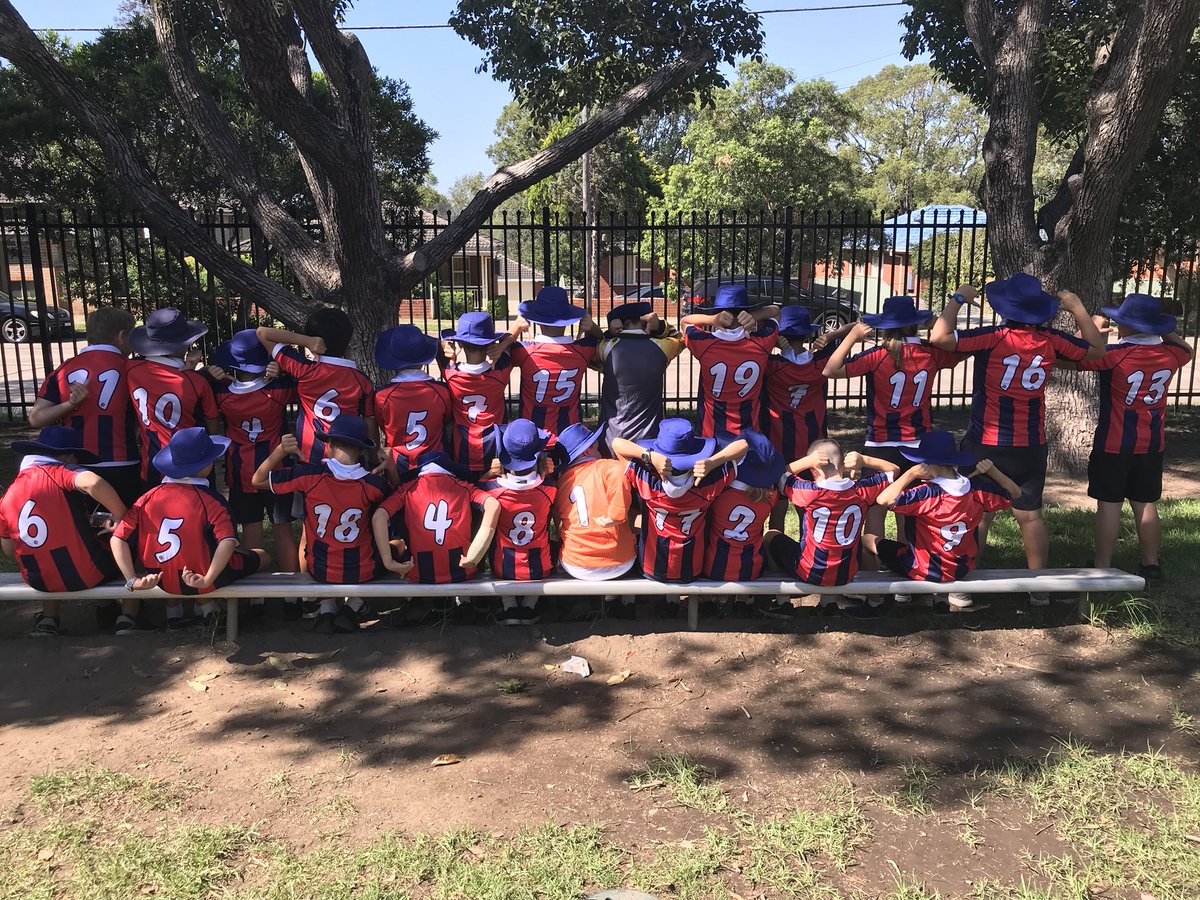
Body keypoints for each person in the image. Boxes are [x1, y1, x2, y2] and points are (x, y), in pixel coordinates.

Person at [928, 274, 1105, 606]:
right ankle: (1038, 587)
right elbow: (1096, 351)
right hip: (1030, 443)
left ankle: (963, 582)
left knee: (977, 512)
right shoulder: (1051, 341)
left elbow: (939, 337)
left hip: (986, 442)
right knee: (1030, 513)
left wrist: (959, 298)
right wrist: (1078, 309)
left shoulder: (993, 336)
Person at [1066, 294, 1195, 578]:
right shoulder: (1172, 355)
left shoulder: (1112, 355)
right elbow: (1187, 349)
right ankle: (1151, 564)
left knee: (1109, 505)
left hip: (1113, 442)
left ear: (1126, 325)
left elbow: (1070, 356)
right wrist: (1163, 327)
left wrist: (1087, 326)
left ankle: (1102, 565)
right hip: (1151, 443)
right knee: (1145, 502)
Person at [823, 295, 964, 543]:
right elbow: (961, 348)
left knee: (876, 508)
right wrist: (934, 325)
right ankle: (906, 557)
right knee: (910, 508)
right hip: (918, 445)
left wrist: (852, 337)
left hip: (880, 443)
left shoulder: (878, 355)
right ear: (914, 324)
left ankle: (872, 561)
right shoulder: (930, 353)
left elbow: (830, 369)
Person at [112, 427, 268, 627]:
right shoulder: (211, 500)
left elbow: (117, 538)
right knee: (263, 556)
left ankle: (175, 613)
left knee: (178, 559)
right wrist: (207, 579)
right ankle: (236, 608)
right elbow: (228, 542)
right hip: (203, 578)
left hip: (160, 579)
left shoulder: (147, 497)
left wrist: (132, 579)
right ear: (204, 465)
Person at [254, 415, 389, 635]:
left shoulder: (310, 474)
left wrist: (280, 451)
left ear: (330, 444)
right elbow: (396, 502)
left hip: (320, 568)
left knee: (313, 542)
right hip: (361, 569)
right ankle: (352, 607)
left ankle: (326, 609)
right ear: (363, 451)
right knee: (394, 546)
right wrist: (390, 467)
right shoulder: (373, 484)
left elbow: (257, 481)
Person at [863, 431, 1021, 611]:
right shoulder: (976, 490)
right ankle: (941, 601)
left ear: (928, 464)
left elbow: (883, 500)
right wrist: (993, 471)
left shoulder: (927, 494)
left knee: (867, 540)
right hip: (961, 567)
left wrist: (910, 475)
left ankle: (873, 602)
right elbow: (1015, 493)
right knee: (942, 547)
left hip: (922, 568)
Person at [0, 426, 133, 637]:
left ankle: (48, 619)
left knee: (50, 555)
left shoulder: (9, 494)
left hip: (38, 580)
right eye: (77, 458)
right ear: (69, 457)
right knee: (128, 541)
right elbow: (93, 482)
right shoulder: (59, 472)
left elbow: (8, 549)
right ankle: (129, 617)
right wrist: (122, 515)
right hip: (85, 575)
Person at [611, 419, 747, 613]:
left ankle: (627, 606)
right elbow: (743, 446)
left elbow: (616, 444)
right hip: (691, 568)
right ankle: (673, 603)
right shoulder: (708, 484)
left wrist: (649, 457)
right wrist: (712, 462)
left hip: (652, 567)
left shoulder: (647, 481)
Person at [209, 330, 299, 617]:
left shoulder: (223, 395)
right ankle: (291, 595)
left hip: (240, 472)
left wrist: (214, 374)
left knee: (251, 528)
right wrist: (283, 370)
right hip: (277, 471)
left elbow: (206, 385)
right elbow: (301, 382)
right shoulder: (277, 392)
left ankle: (253, 596)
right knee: (283, 529)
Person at [764, 439, 900, 617]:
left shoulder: (807, 491)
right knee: (868, 541)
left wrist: (806, 461)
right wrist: (864, 460)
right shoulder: (863, 490)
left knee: (770, 536)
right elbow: (894, 470)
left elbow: (778, 473)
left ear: (813, 469)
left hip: (809, 571)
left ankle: (783, 603)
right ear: (843, 465)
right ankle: (873, 603)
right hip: (847, 571)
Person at [30, 306, 141, 509]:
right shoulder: (132, 368)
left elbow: (36, 418)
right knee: (125, 527)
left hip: (74, 464)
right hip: (123, 461)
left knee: (84, 528)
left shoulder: (64, 369)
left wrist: (69, 405)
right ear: (122, 336)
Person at [760, 306, 852, 530]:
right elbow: (854, 329)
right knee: (809, 504)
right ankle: (808, 545)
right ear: (808, 334)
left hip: (778, 443)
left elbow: (752, 342)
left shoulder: (772, 365)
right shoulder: (821, 363)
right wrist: (830, 335)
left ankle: (775, 553)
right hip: (814, 446)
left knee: (778, 505)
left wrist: (771, 343)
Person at [256, 306, 377, 467]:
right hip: (349, 459)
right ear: (348, 340)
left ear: (316, 342)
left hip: (309, 458)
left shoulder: (303, 369)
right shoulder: (362, 381)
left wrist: (306, 341)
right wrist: (374, 459)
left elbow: (262, 333)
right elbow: (370, 421)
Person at [465, 419, 557, 626]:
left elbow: (474, 493)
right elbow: (545, 483)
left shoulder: (492, 490)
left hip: (503, 566)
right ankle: (528, 607)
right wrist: (545, 472)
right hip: (538, 567)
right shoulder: (549, 489)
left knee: (498, 545)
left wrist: (489, 473)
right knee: (545, 546)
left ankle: (509, 607)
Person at [550, 422, 639, 618]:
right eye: (597, 447)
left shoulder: (562, 480)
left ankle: (585, 604)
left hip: (576, 564)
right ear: (586, 451)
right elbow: (619, 472)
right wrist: (615, 515)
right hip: (619, 562)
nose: (600, 451)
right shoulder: (607, 466)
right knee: (638, 542)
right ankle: (622, 604)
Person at [125, 308, 220, 487]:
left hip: (152, 465)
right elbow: (212, 425)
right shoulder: (197, 381)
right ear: (185, 344)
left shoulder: (130, 370)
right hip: (194, 465)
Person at [497, 286, 602, 434]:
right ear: (568, 320)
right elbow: (603, 342)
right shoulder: (583, 350)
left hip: (532, 433)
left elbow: (499, 351)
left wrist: (515, 329)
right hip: (570, 432)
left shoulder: (523, 350)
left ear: (536, 319)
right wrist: (592, 328)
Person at [704, 430, 785, 616]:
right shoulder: (771, 498)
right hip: (751, 568)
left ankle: (723, 601)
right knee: (766, 538)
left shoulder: (720, 494)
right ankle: (743, 601)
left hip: (714, 567)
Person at [680, 284, 780, 435]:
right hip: (749, 433)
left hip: (711, 433)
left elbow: (685, 321)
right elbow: (776, 312)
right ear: (745, 311)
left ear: (717, 312)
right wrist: (754, 316)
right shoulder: (761, 344)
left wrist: (712, 319)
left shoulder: (704, 344)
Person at [592, 301, 685, 449]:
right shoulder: (663, 347)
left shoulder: (607, 348)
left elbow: (588, 353)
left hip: (612, 439)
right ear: (646, 321)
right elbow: (681, 339)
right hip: (649, 440)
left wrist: (608, 334)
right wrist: (660, 326)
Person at [371, 449, 471, 586]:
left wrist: (389, 562)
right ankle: (464, 600)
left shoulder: (406, 489)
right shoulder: (465, 487)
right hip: (461, 572)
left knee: (402, 542)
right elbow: (492, 504)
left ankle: (413, 599)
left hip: (418, 572)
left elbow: (379, 516)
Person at [437, 311, 514, 479]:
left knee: (469, 491)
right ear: (489, 345)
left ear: (461, 345)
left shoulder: (451, 373)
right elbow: (510, 339)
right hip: (494, 444)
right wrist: (500, 345)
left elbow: (437, 345)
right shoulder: (500, 372)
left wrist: (445, 345)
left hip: (463, 445)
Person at [373, 325, 453, 470]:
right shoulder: (441, 391)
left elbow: (382, 424)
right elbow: (446, 419)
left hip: (398, 466)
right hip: (435, 464)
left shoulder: (382, 396)